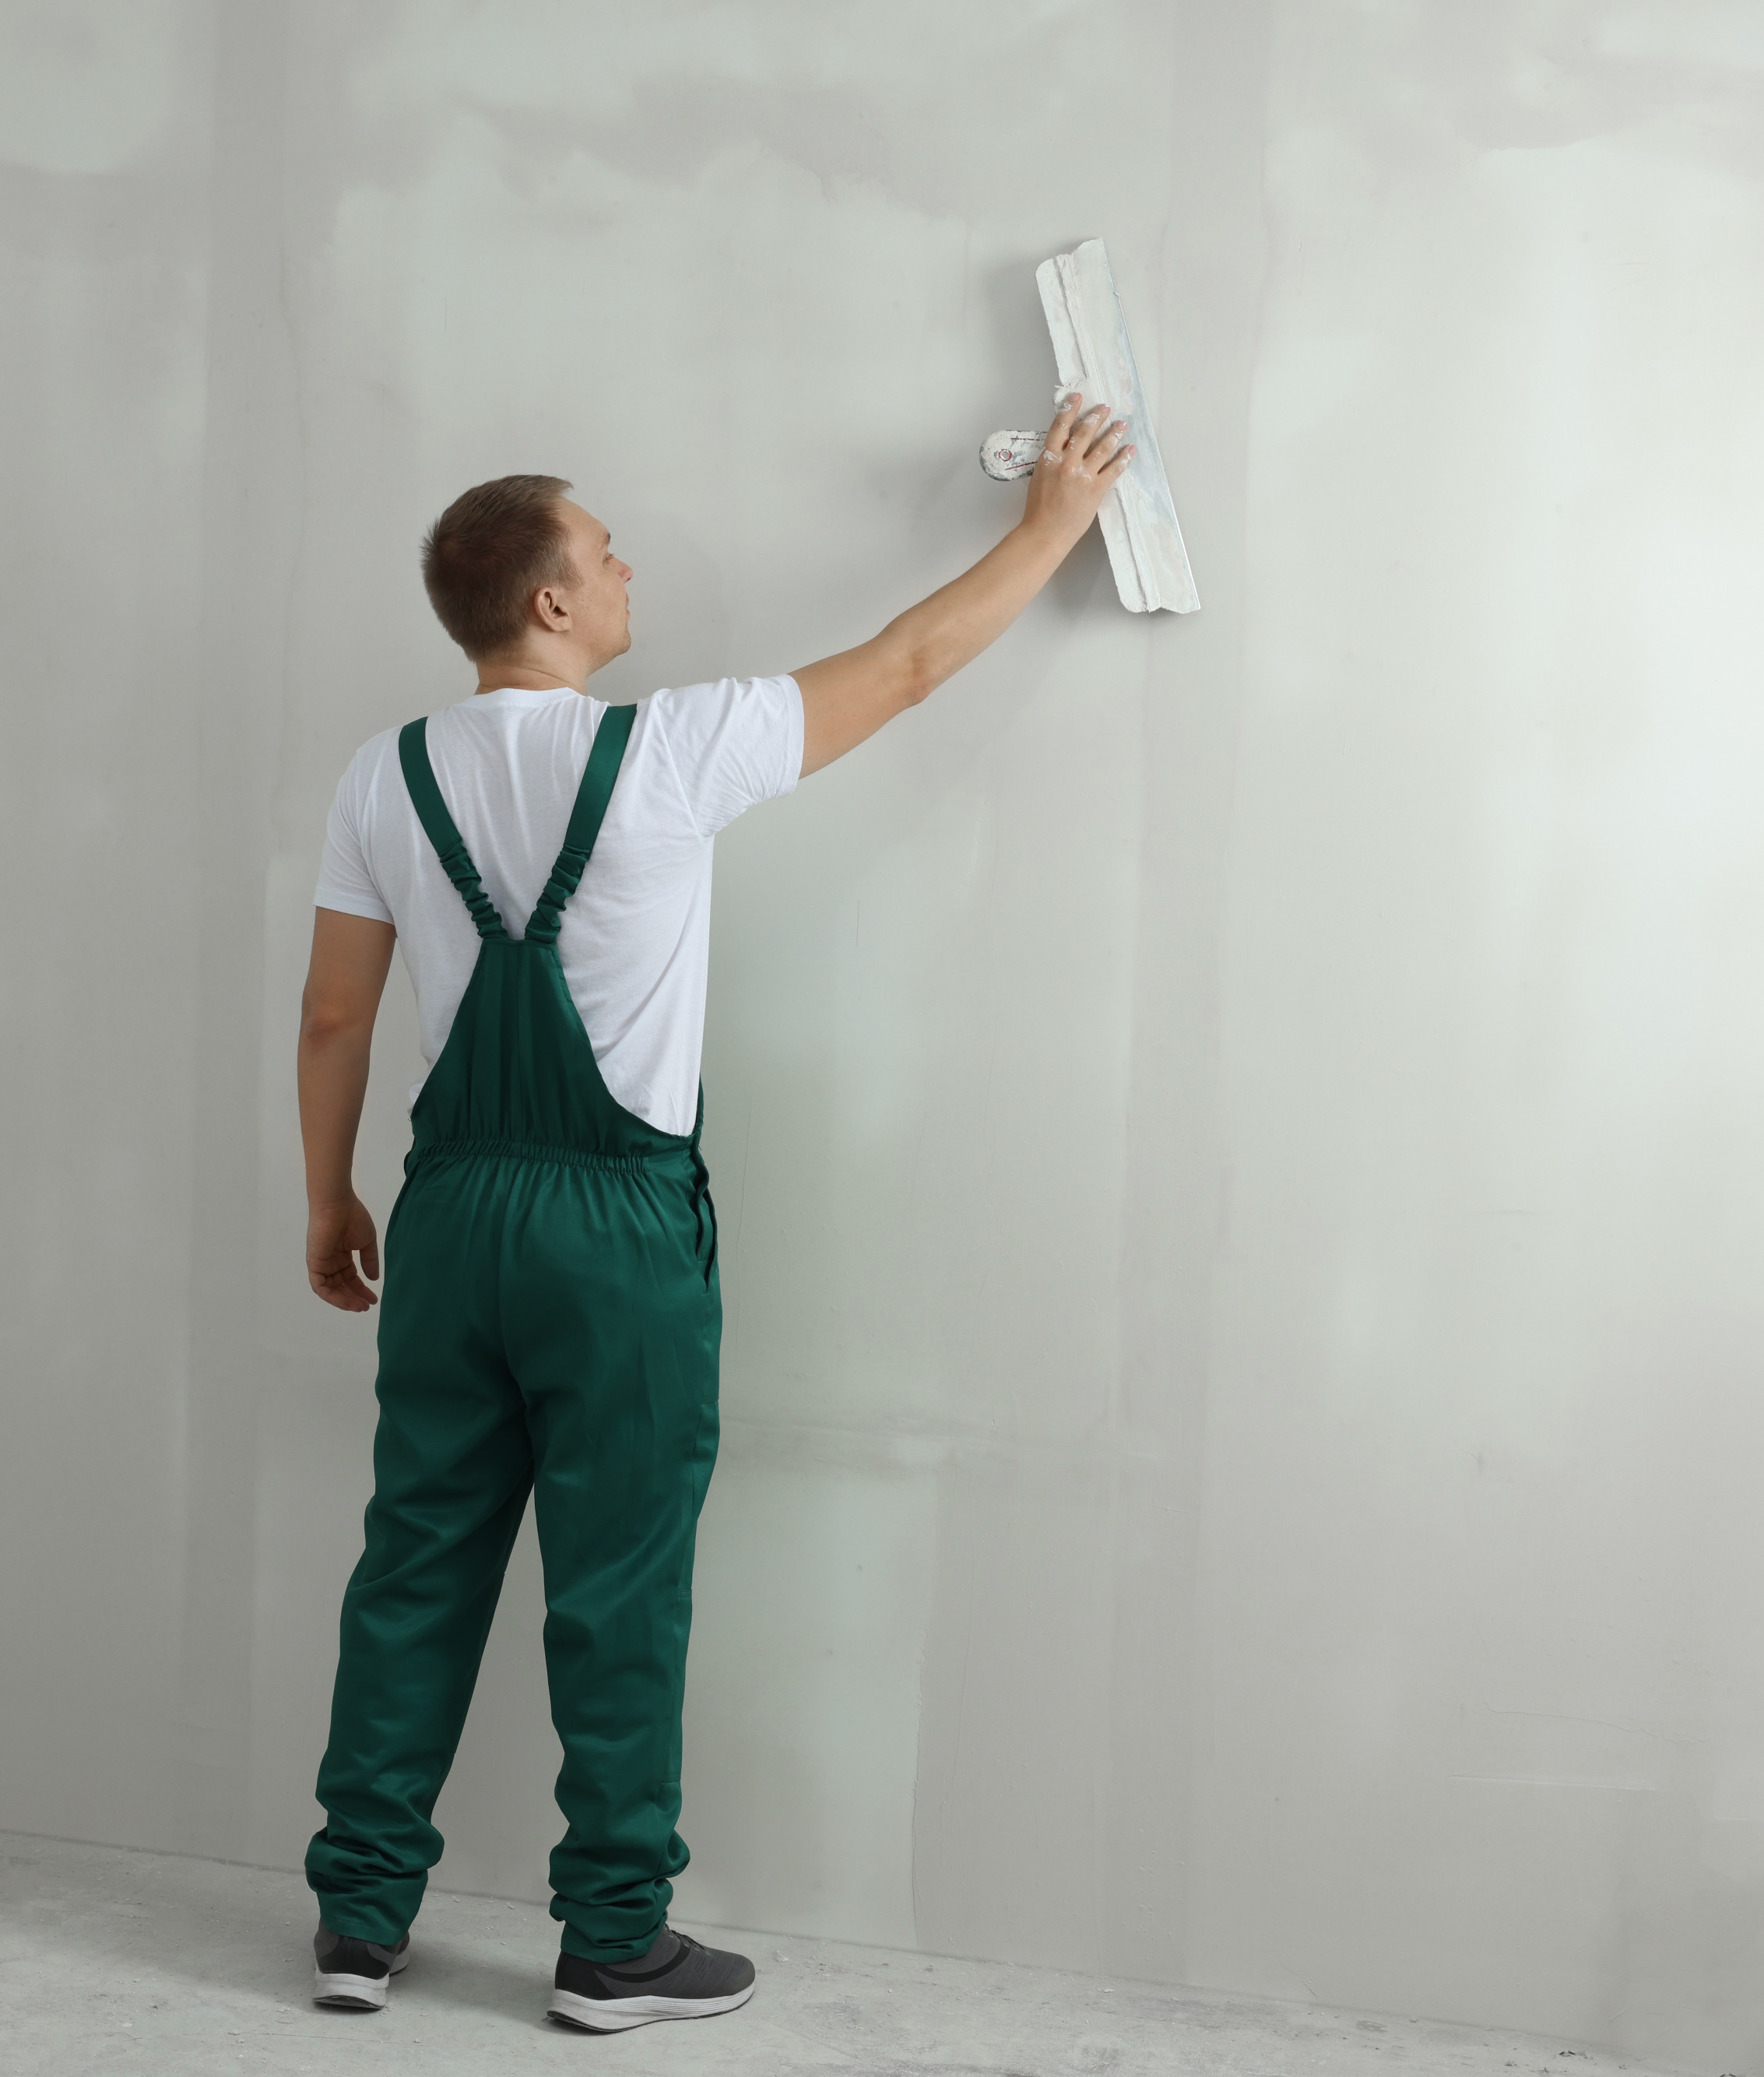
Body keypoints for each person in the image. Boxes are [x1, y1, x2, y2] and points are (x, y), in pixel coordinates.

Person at [293, 395, 1137, 2033]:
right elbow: (897, 666)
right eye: (601, 552)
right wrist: (1048, 524)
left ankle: (356, 1916)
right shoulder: (668, 747)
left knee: (414, 1556)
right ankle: (611, 1939)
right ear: (546, 600)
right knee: (615, 1577)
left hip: (449, 1215)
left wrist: (329, 1191)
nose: (625, 569)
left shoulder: (382, 774)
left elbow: (333, 1017)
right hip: (611, 1236)